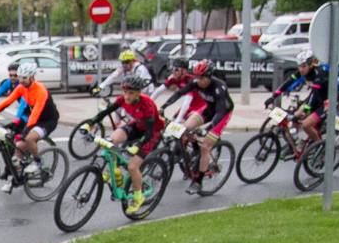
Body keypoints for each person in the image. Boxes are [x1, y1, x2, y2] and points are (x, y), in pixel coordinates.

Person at [82, 73, 164, 215]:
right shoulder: (122, 99)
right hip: (137, 126)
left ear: (139, 93)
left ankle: (138, 197)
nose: (127, 96)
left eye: (131, 93)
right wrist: (90, 123)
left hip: (152, 133)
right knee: (110, 141)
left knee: (133, 166)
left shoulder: (147, 104)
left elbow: (150, 132)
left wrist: (137, 146)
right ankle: (115, 171)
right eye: (125, 92)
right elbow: (105, 112)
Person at [0, 62, 60, 191]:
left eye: (24, 78)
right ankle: (15, 179)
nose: (21, 80)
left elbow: (35, 114)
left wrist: (25, 132)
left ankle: (38, 162)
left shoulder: (41, 90)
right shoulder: (21, 87)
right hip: (34, 120)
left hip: (48, 121)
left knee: (29, 138)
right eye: (20, 77)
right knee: (17, 148)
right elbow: (7, 101)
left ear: (32, 77)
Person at [166, 59, 233, 194]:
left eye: (202, 78)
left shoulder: (219, 87)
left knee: (205, 147)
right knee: (184, 128)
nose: (198, 80)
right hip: (208, 110)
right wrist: (163, 107)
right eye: (196, 77)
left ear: (209, 76)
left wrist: (207, 129)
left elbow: (219, 112)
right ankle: (195, 149)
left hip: (222, 114)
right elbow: (179, 93)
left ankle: (198, 181)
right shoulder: (196, 83)